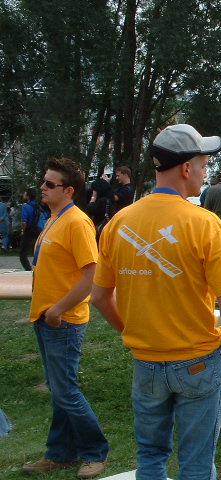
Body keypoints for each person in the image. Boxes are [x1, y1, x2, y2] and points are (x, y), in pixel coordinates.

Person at [91, 123, 221, 480]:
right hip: (196, 360)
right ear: (186, 168)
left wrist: (130, 329)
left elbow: (99, 296)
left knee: (150, 459)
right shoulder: (204, 224)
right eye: (205, 163)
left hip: (146, 362)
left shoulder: (119, 223)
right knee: (195, 464)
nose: (207, 170)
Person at [23, 158, 109, 478]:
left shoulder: (77, 222)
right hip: (46, 318)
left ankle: (95, 452)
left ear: (68, 190)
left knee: (66, 392)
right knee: (60, 390)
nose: (42, 188)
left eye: (49, 184)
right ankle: (60, 453)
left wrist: (58, 310)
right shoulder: (54, 218)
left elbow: (92, 275)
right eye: (43, 182)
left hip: (63, 320)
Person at [20, 188, 42, 270]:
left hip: (29, 231)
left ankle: (29, 270)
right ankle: (39, 268)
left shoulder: (26, 207)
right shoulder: (38, 206)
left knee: (23, 254)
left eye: (25, 194)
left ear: (28, 196)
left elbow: (24, 222)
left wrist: (23, 231)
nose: (23, 196)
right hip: (39, 230)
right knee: (37, 251)